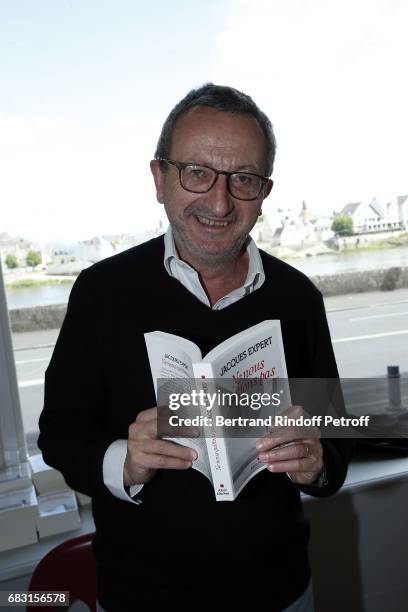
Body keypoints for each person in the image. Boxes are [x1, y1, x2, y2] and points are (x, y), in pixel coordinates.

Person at [38, 83, 354, 612]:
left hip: (281, 592)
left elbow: (337, 448)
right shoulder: (101, 292)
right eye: (197, 173)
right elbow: (61, 434)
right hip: (142, 596)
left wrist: (316, 460)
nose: (218, 201)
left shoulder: (298, 297)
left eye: (243, 180)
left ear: (264, 192)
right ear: (159, 179)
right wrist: (124, 461)